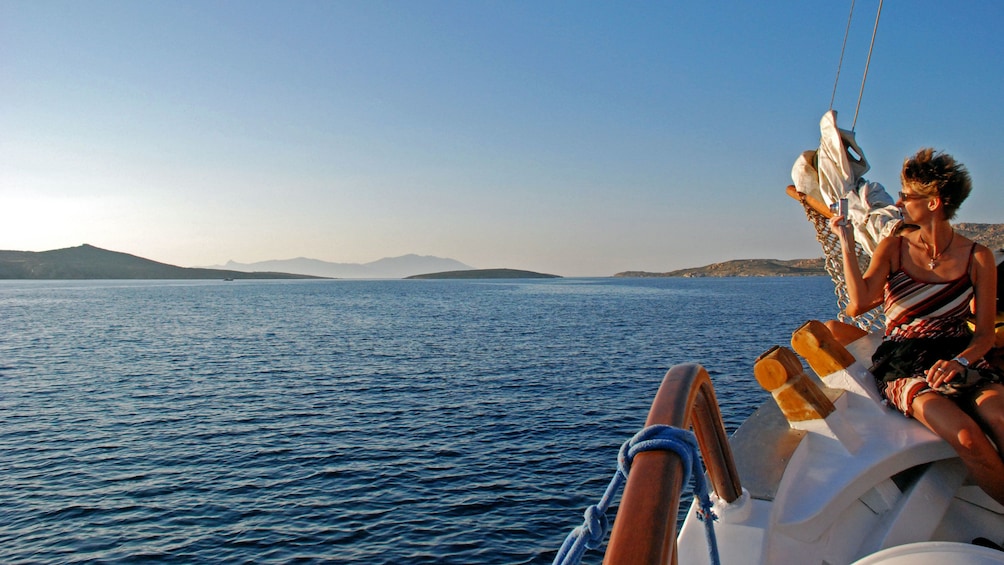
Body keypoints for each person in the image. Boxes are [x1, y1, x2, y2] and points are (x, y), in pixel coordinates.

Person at [827, 148, 1004, 505]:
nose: (901, 201)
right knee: (967, 437)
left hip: (960, 356)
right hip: (903, 363)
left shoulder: (978, 257)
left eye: (908, 196)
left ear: (935, 203)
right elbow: (859, 303)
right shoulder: (893, 247)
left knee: (1001, 418)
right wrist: (845, 238)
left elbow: (984, 335)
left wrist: (962, 362)